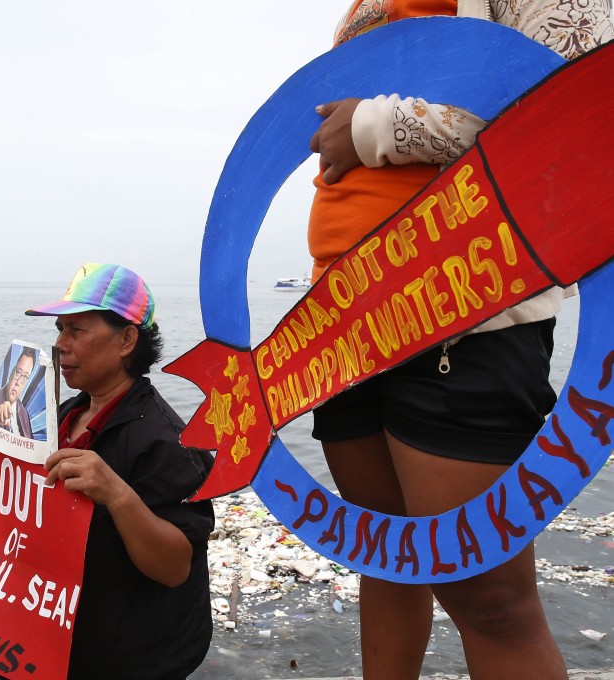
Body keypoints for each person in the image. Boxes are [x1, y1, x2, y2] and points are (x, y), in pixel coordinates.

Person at [307, 2, 613, 679]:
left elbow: (572, 101)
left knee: (493, 600)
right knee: (384, 559)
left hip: (466, 311)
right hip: (339, 322)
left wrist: (367, 126)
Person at [0, 263, 214, 680]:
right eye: (59, 330)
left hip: (131, 656)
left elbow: (175, 567)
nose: (60, 345)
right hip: (58, 633)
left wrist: (118, 495)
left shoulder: (167, 441)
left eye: (76, 330)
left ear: (126, 339)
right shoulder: (65, 414)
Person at [0, 345, 36, 438]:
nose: (18, 382)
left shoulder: (24, 413)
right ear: (11, 372)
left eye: (25, 377)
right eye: (18, 372)